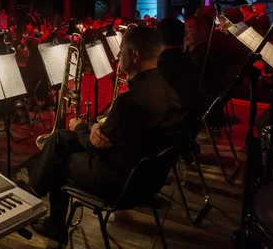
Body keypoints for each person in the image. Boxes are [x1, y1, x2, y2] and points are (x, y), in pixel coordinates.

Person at [28, 27, 183, 244]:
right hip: (147, 180)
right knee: (59, 138)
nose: (118, 56)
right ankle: (34, 190)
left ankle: (43, 212)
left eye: (121, 51)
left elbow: (94, 145)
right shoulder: (169, 91)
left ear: (135, 55)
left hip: (121, 183)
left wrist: (81, 127)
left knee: (59, 158)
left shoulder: (129, 102)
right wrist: (89, 130)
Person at [156, 17, 202, 116]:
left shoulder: (161, 67)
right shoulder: (188, 60)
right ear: (183, 35)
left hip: (170, 123)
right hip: (190, 120)